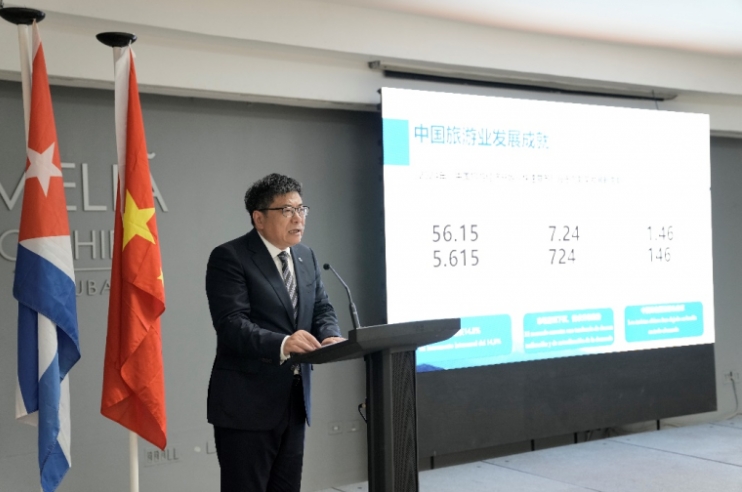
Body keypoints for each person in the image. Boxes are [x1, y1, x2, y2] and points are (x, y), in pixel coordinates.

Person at [205, 173, 344, 492]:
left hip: (294, 401)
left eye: (301, 209)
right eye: (287, 210)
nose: (298, 218)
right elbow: (231, 325)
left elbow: (321, 307)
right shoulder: (230, 257)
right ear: (259, 218)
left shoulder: (305, 256)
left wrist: (330, 335)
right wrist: (283, 343)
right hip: (247, 405)